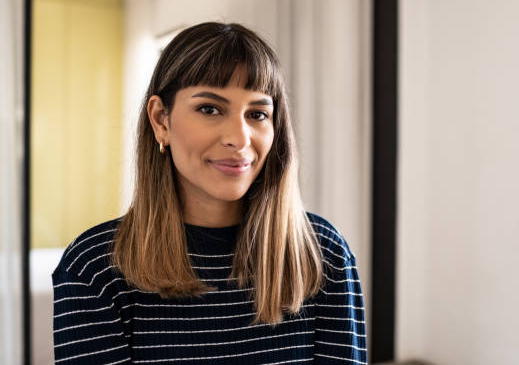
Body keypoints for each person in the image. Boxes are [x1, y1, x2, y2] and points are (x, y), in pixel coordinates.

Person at [52, 22, 367, 364]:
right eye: (210, 109)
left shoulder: (323, 253)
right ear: (161, 120)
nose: (240, 138)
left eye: (258, 114)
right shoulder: (94, 269)